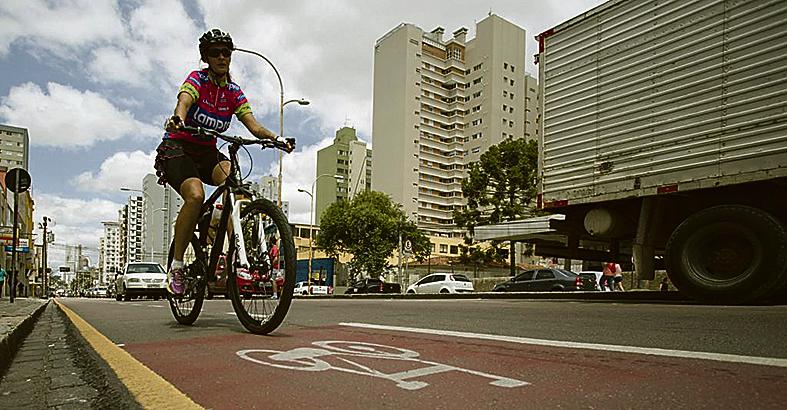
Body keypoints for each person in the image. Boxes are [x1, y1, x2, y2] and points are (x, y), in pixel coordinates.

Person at [155, 28, 282, 296]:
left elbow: (253, 125)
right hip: (178, 148)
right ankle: (177, 266)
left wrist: (277, 138)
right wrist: (178, 117)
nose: (222, 57)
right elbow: (184, 101)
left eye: (227, 52)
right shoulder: (197, 80)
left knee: (234, 185)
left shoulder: (234, 92)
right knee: (195, 195)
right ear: (206, 57)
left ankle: (239, 256)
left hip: (207, 152)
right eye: (215, 53)